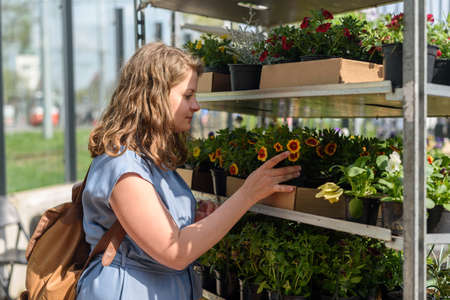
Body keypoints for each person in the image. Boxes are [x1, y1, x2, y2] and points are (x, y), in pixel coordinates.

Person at [76, 42, 301, 300]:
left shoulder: (151, 160)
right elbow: (176, 252)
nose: (196, 106)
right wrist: (247, 194)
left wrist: (192, 218)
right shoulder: (123, 166)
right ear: (154, 96)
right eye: (187, 95)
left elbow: (158, 230)